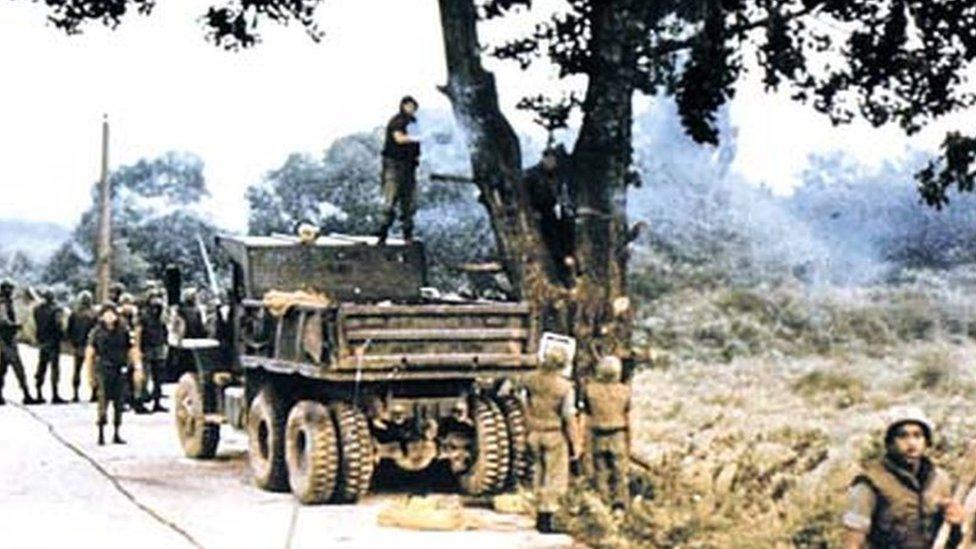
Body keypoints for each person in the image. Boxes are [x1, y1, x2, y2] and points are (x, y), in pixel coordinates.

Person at [842, 405, 964, 548]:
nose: (911, 443)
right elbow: (853, 544)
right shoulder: (869, 484)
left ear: (926, 441)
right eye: (902, 436)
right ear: (890, 443)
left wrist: (957, 523)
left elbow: (954, 540)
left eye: (917, 435)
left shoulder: (940, 479)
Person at [519, 346, 579, 534]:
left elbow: (519, 398)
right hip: (554, 433)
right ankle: (548, 519)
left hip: (533, 433)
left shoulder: (530, 379)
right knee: (555, 477)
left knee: (538, 473)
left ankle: (538, 514)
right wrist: (575, 443)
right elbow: (568, 417)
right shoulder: (564, 387)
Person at [83, 303, 142, 445]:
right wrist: (90, 375)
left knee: (119, 402)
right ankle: (101, 432)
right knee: (103, 401)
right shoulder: (96, 332)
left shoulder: (123, 330)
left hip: (120, 369)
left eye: (112, 314)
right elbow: (90, 353)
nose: (109, 317)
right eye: (106, 314)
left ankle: (116, 432)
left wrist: (137, 366)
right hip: (103, 370)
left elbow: (131, 348)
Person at [582, 355, 631, 514]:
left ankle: (603, 504)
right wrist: (630, 441)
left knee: (600, 472)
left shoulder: (590, 390)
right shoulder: (625, 391)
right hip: (618, 434)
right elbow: (628, 416)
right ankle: (619, 506)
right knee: (620, 472)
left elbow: (586, 413)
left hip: (597, 434)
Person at [522, 145, 575, 284]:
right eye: (549, 159)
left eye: (554, 160)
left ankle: (564, 267)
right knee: (550, 240)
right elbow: (524, 197)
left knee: (563, 234)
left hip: (550, 211)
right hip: (538, 212)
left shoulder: (556, 175)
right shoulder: (531, 175)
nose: (552, 163)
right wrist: (532, 212)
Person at [375, 95, 421, 245]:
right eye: (409, 106)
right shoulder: (398, 121)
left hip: (409, 167)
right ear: (403, 106)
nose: (411, 109)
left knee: (409, 204)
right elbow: (399, 138)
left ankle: (407, 235)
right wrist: (420, 137)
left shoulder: (414, 123)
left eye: (413, 107)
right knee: (390, 202)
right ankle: (382, 235)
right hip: (394, 166)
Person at [0, 279, 39, 405]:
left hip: (10, 339)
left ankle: (25, 394)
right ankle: (26, 394)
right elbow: (4, 322)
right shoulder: (2, 304)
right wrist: (14, 326)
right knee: (15, 369)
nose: (10, 292)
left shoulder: (9, 303)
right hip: (5, 340)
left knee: (7, 369)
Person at [33, 288, 66, 404]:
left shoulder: (37, 310)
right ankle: (55, 394)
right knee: (54, 369)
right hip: (54, 342)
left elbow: (36, 324)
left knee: (41, 367)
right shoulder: (56, 310)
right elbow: (59, 325)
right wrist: (63, 336)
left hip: (42, 341)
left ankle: (38, 393)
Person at [67, 290, 98, 402]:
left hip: (78, 346)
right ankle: (94, 393)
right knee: (92, 371)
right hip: (90, 346)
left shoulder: (74, 314)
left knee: (77, 370)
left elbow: (69, 330)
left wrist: (72, 343)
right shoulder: (94, 314)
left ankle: (75, 394)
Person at [139, 295, 168, 413]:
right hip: (147, 348)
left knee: (158, 378)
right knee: (144, 377)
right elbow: (139, 332)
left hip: (158, 348)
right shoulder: (144, 316)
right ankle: (140, 401)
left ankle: (157, 401)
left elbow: (164, 331)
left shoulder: (161, 317)